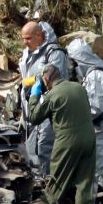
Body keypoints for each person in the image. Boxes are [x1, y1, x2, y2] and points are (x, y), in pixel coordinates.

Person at [26, 64, 96, 204]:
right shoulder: (78, 87)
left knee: (57, 181)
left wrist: (35, 94)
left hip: (67, 141)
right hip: (89, 138)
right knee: (85, 182)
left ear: (46, 78)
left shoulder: (52, 95)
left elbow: (34, 117)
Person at [66, 38, 103, 204]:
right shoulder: (97, 72)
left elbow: (95, 107)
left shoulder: (95, 75)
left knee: (91, 172)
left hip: (99, 130)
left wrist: (76, 119)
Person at [19, 21, 70, 174]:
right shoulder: (27, 53)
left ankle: (50, 187)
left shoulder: (54, 53)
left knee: (45, 148)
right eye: (23, 38)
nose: (24, 42)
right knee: (30, 148)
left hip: (48, 110)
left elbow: (53, 77)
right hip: (31, 109)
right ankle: (37, 185)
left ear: (39, 35)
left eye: (28, 38)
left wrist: (33, 80)